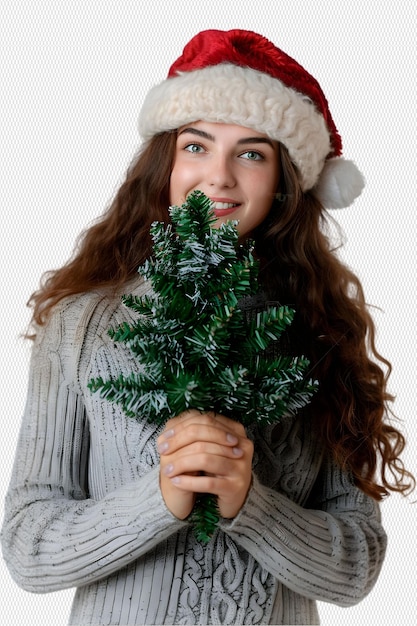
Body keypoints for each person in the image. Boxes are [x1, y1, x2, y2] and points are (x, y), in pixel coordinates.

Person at [1, 28, 414, 626]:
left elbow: (358, 568)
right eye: (197, 146)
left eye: (251, 154)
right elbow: (27, 549)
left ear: (282, 185)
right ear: (164, 162)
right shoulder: (81, 325)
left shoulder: (319, 333)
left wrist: (250, 504)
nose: (218, 177)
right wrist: (160, 497)